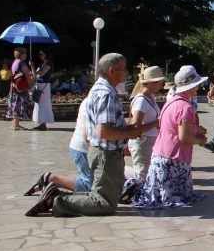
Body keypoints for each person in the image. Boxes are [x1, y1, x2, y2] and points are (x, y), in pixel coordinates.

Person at [24, 53, 157, 217]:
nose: (126, 72)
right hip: (106, 155)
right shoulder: (106, 93)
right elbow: (103, 132)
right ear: (111, 71)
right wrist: (130, 132)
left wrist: (128, 132)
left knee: (108, 198)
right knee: (104, 204)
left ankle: (57, 197)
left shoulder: (104, 90)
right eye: (123, 68)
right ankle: (57, 200)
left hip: (107, 154)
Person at [126, 66, 208, 208]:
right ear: (190, 87)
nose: (198, 88)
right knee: (175, 197)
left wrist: (195, 129)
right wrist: (200, 140)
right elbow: (184, 138)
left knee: (159, 192)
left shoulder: (171, 101)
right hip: (174, 158)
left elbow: (173, 127)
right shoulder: (185, 107)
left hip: (161, 153)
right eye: (196, 85)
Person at [24, 96, 93, 195]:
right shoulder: (97, 99)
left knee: (94, 182)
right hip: (83, 147)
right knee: (90, 186)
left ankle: (51, 180)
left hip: (81, 146)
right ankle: (51, 179)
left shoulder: (95, 97)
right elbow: (88, 133)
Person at [124, 66, 166, 180]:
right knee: (142, 174)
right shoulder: (141, 100)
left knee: (148, 173)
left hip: (150, 140)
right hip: (142, 142)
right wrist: (156, 123)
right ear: (151, 83)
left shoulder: (150, 97)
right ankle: (121, 171)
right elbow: (136, 126)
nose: (161, 85)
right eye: (159, 82)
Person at [6, 48, 35, 131]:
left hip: (14, 86)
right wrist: (32, 67)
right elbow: (28, 75)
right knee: (19, 104)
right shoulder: (22, 64)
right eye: (25, 53)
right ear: (22, 55)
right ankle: (16, 124)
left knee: (14, 103)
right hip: (21, 87)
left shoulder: (14, 62)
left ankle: (14, 123)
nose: (26, 55)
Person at [32, 50, 55, 130]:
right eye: (39, 54)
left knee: (44, 104)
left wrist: (33, 68)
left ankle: (43, 123)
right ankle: (41, 122)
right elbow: (35, 74)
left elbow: (41, 73)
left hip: (44, 85)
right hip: (39, 85)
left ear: (46, 54)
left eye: (41, 54)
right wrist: (32, 67)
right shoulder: (42, 64)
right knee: (39, 104)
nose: (40, 55)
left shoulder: (49, 63)